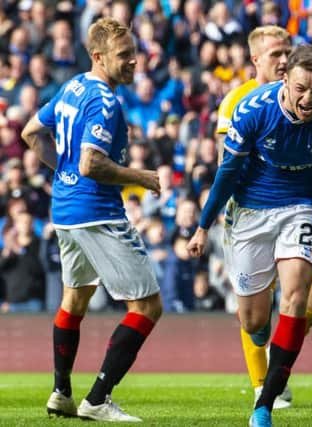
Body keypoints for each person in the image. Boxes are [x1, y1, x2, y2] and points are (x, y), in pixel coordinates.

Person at [187, 43, 312, 427]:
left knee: (296, 298)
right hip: (250, 212)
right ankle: (263, 335)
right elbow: (227, 173)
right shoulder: (253, 111)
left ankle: (265, 402)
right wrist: (202, 226)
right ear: (284, 79)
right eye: (301, 89)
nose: (309, 98)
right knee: (253, 321)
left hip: (300, 208)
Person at [20, 17, 162, 421]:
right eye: (125, 56)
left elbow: (31, 132)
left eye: (135, 53)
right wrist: (140, 177)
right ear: (98, 56)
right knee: (147, 307)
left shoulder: (72, 86)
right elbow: (90, 163)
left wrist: (61, 174)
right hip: (96, 212)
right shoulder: (103, 100)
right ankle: (98, 398)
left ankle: (61, 393)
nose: (135, 62)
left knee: (74, 299)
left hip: (65, 211)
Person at [215, 25, 312, 409]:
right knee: (255, 311)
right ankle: (263, 383)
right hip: (251, 212)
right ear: (255, 60)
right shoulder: (238, 101)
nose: (283, 60)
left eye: (286, 52)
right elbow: (227, 163)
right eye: (274, 55)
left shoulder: (311, 98)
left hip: (300, 207)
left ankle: (279, 356)